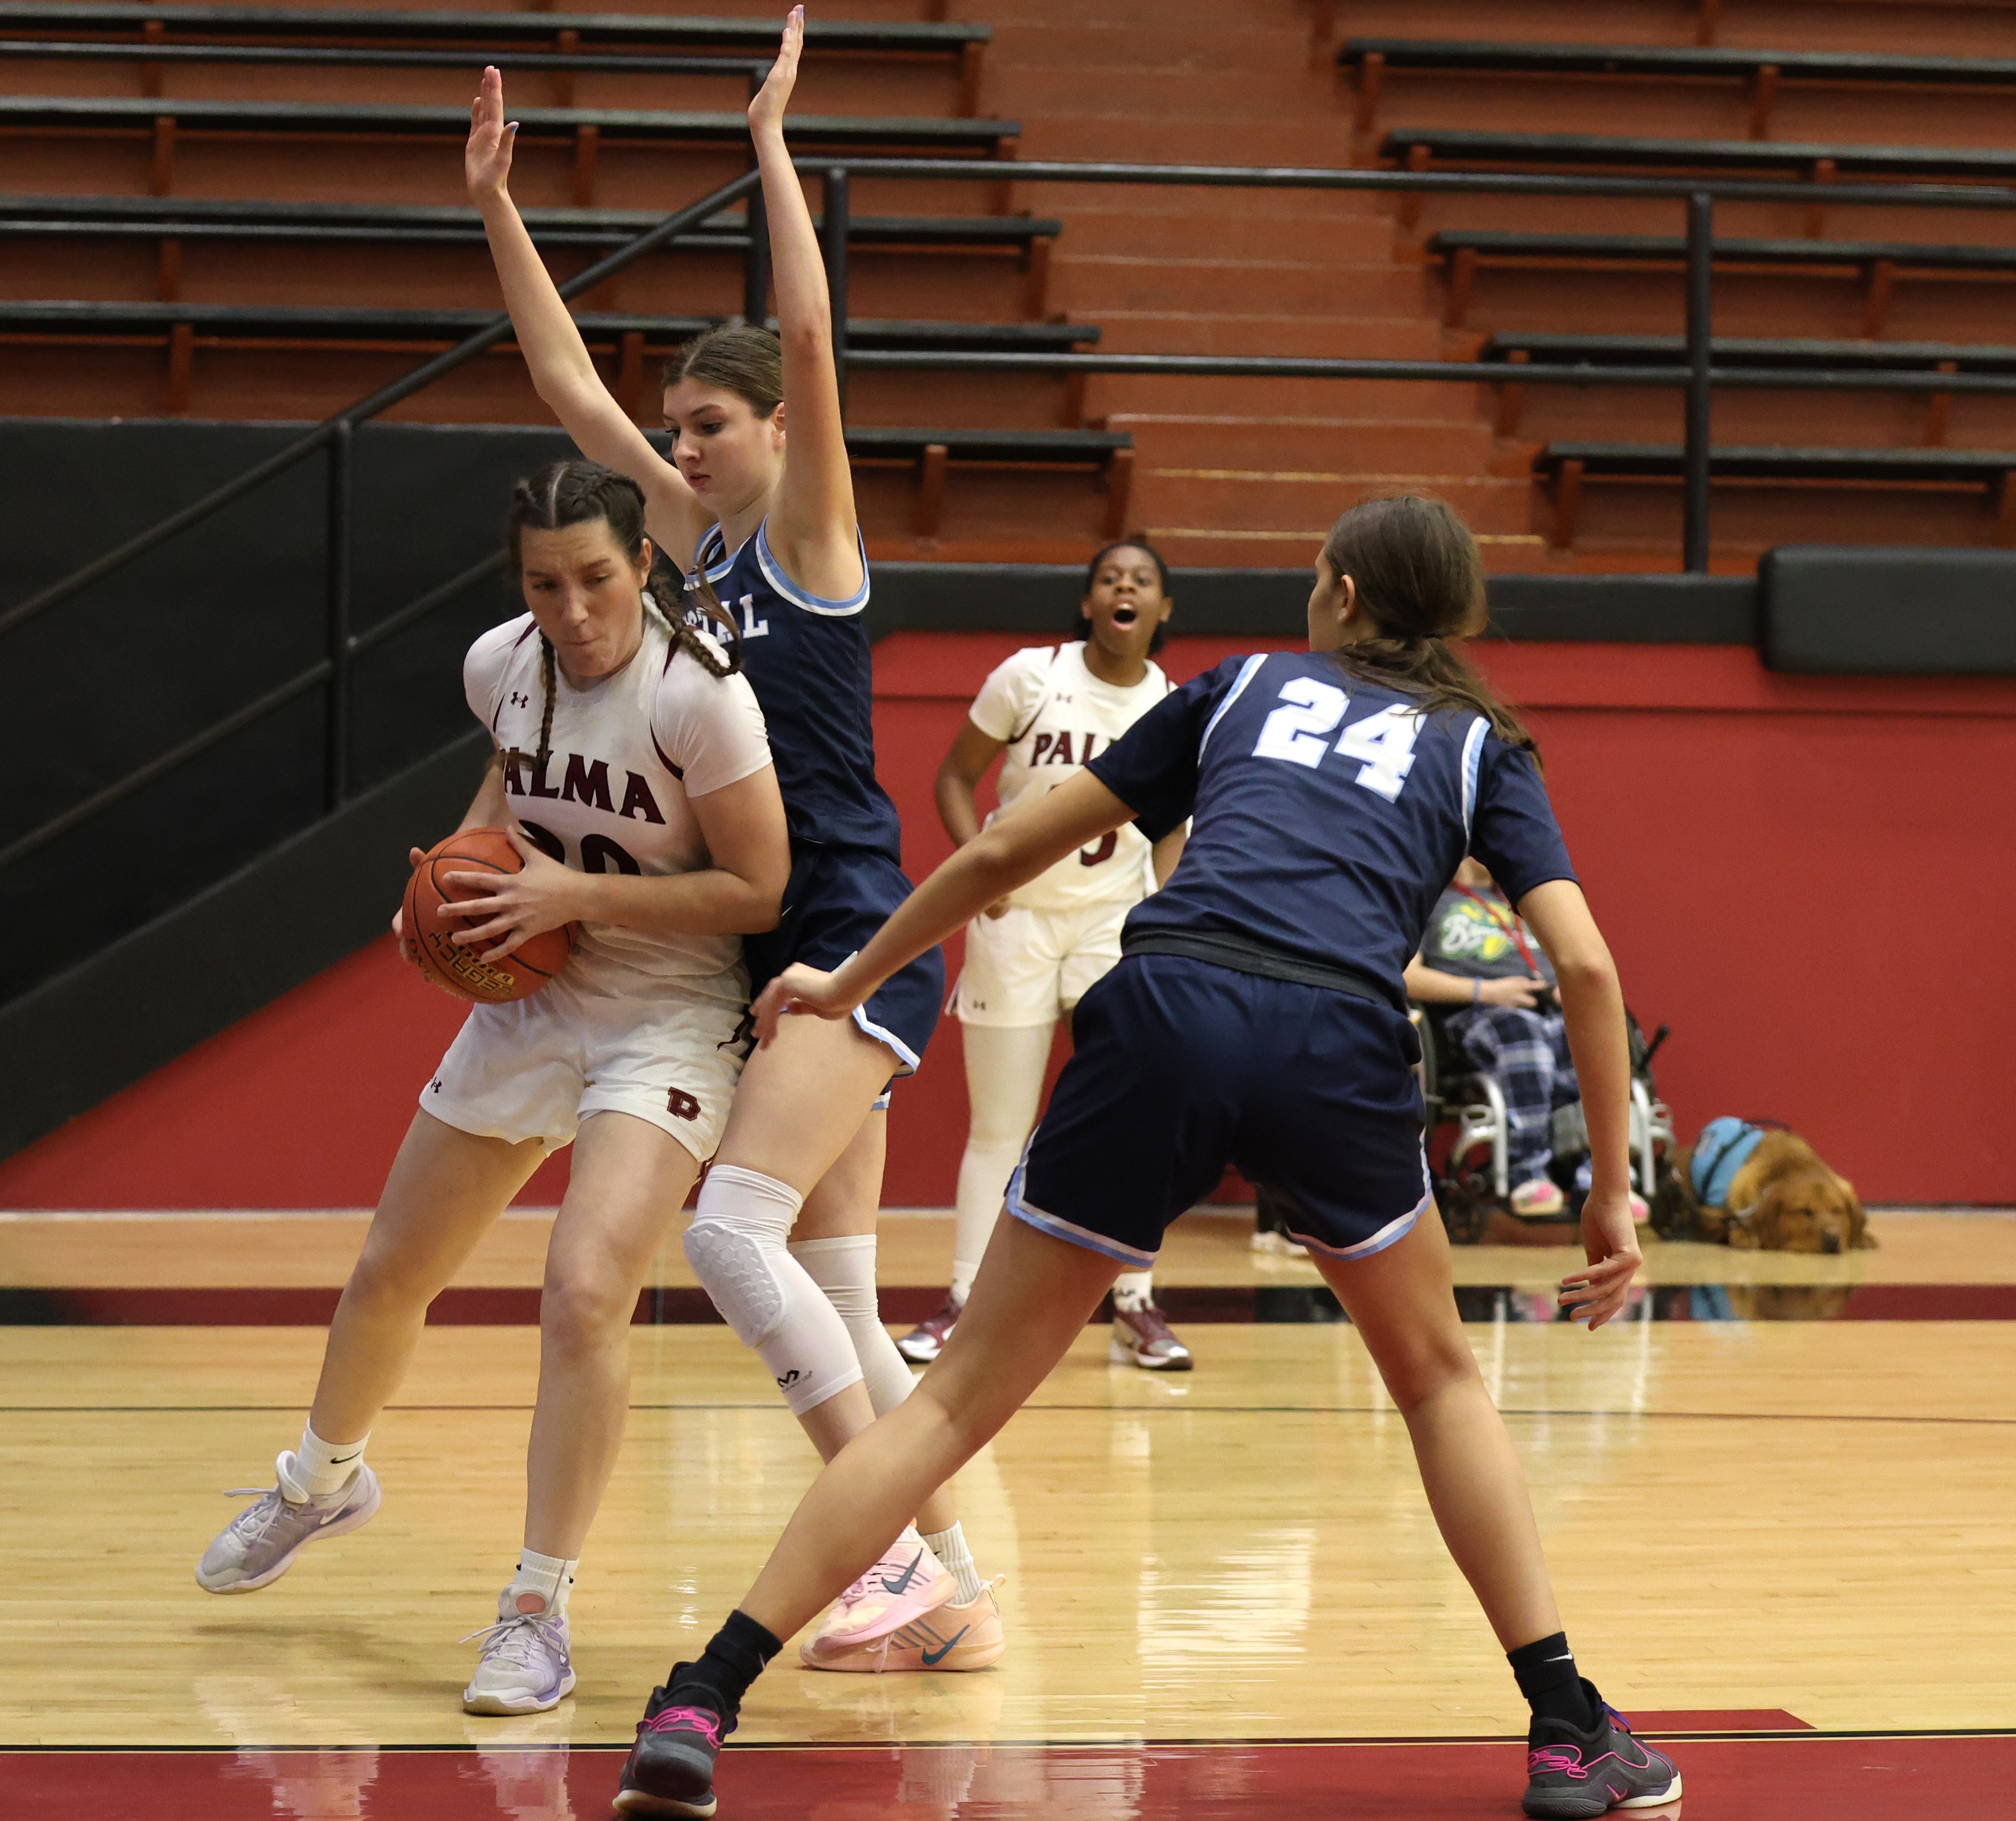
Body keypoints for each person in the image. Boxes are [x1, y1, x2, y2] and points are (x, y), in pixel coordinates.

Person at [612, 496, 1680, 1821]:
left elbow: (1006, 840)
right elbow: (1581, 961)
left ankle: (701, 1695)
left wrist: (847, 978)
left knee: (950, 1403)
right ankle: (1569, 1727)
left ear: (1342, 594)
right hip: (1332, 1036)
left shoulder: (1238, 687)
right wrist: (1614, 1192)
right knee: (1438, 1380)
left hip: (1168, 1002)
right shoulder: (1480, 743)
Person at [462, 8, 999, 1678]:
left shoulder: (812, 544)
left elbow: (817, 349)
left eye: (708, 423)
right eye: (678, 424)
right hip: (773, 945)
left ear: (773, 434)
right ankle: (954, 1591)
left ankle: (897, 1555)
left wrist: (770, 148)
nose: (680, 443)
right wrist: (495, 203)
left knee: (725, 1236)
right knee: (833, 1281)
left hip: (857, 930)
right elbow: (561, 382)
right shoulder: (682, 557)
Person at [197, 460, 793, 1720]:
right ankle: (320, 1478)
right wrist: (458, 881)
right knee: (392, 1266)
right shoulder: (500, 665)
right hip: (539, 991)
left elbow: (760, 890)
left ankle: (536, 1606)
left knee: (584, 1290)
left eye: (595, 579)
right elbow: (510, 793)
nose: (572, 609)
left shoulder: (700, 698)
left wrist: (575, 894)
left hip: (669, 1011)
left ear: (644, 563)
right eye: (543, 583)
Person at [899, 539, 1192, 1372]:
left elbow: (1173, 827)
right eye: (1109, 578)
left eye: (1140, 581)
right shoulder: (1029, 677)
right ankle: (964, 1298)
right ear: (1089, 601)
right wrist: (973, 868)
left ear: (1162, 610)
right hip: (1018, 917)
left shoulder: (1174, 704)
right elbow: (954, 778)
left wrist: (1162, 921)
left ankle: (1134, 1301)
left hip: (1113, 925)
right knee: (999, 1125)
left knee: (1139, 1116)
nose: (1123, 589)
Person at [1406, 856, 1575, 1217]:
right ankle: (1527, 1174)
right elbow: (1406, 976)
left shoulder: (1523, 905)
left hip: (1546, 1010)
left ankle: (1595, 1172)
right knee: (1521, 1032)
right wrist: (1486, 991)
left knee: (1590, 1038)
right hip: (1476, 1015)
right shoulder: (1429, 902)